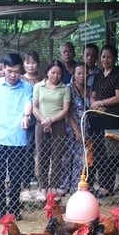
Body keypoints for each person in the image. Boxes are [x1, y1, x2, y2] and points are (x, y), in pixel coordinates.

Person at [0, 53, 33, 222]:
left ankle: (14, 209)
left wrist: (26, 116)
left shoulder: (26, 87)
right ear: (3, 69)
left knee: (15, 177)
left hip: (18, 139)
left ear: (21, 71)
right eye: (10, 71)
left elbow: (28, 103)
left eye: (17, 72)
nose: (13, 75)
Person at [89, 44, 119, 198]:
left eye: (109, 57)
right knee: (97, 151)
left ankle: (107, 186)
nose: (105, 60)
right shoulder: (98, 75)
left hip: (111, 118)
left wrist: (101, 103)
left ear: (114, 58)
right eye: (103, 56)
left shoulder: (118, 75)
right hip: (96, 117)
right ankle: (100, 183)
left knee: (110, 152)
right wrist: (94, 104)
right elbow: (92, 94)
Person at [32, 60, 70, 201]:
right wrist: (43, 120)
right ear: (47, 72)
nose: (56, 75)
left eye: (59, 73)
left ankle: (53, 186)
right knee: (42, 156)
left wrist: (51, 121)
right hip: (40, 123)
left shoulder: (65, 88)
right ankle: (43, 187)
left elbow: (65, 110)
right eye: (53, 72)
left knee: (57, 156)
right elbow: (34, 107)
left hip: (58, 124)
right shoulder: (38, 86)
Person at [63, 63, 88, 194]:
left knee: (80, 160)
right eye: (79, 73)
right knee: (67, 158)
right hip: (69, 129)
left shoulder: (89, 90)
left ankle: (75, 188)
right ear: (74, 74)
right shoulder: (68, 89)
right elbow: (67, 112)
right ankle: (64, 186)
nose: (82, 76)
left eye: (84, 73)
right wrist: (76, 130)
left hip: (85, 130)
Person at [20, 50, 41, 201]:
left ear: (38, 64)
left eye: (33, 62)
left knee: (40, 151)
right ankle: (25, 184)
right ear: (23, 64)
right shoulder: (20, 79)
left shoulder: (43, 79)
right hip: (25, 119)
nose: (31, 65)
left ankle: (41, 184)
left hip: (41, 118)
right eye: (28, 62)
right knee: (26, 151)